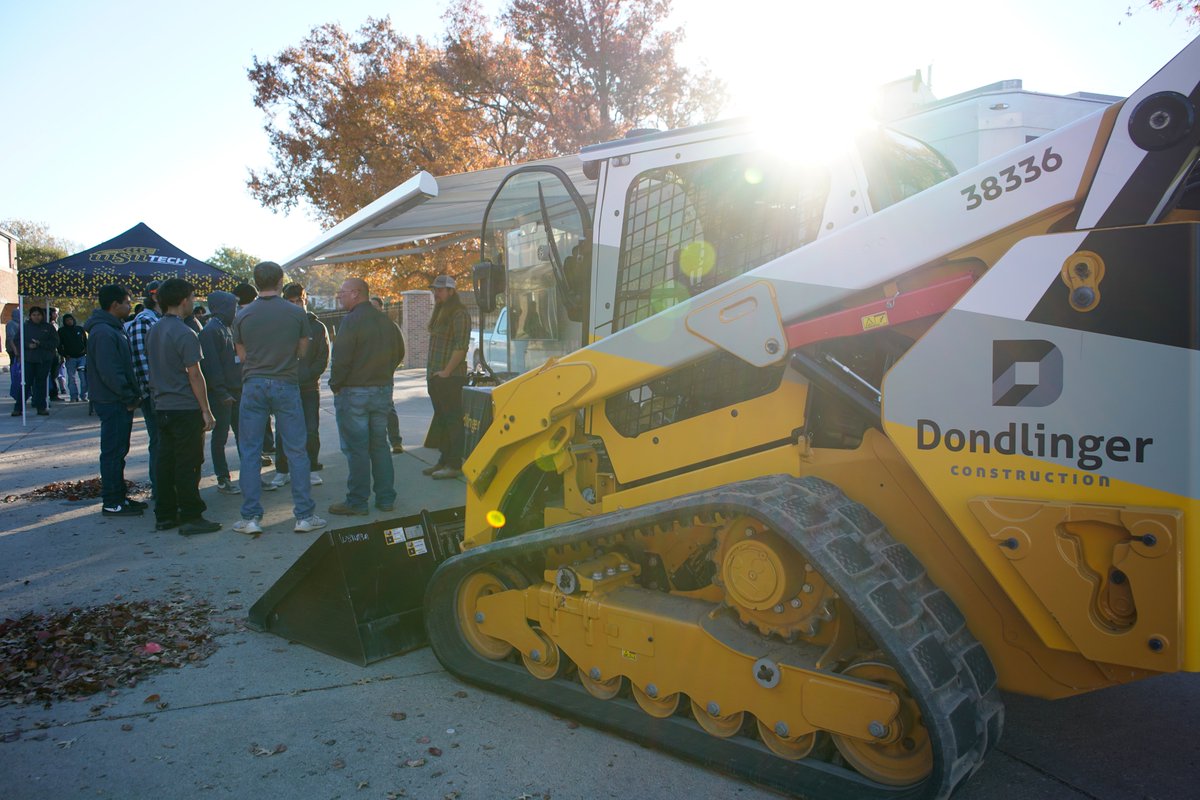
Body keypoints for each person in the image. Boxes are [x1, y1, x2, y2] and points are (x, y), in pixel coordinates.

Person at [230, 261, 326, 535]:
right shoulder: (295, 313)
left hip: (254, 383)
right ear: (281, 282)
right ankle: (304, 515)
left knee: (250, 451)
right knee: (297, 450)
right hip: (286, 381)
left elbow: (242, 353)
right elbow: (303, 350)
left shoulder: (243, 316)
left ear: (256, 282)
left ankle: (250, 518)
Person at [145, 278, 221, 535]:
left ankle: (165, 514)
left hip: (162, 405)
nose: (193, 302)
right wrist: (206, 410)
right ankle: (191, 515)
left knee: (165, 461)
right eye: (191, 297)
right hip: (185, 406)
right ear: (183, 300)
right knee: (188, 463)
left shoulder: (154, 330)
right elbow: (195, 375)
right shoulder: (185, 333)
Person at [328, 277, 404, 515]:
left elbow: (341, 358)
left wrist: (336, 384)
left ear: (356, 293)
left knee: (357, 448)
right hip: (381, 390)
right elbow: (399, 351)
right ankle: (385, 498)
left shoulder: (351, 321)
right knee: (379, 445)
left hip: (355, 391)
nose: (339, 296)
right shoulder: (385, 321)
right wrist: (384, 373)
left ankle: (358, 501)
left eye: (342, 292)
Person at [84, 285, 146, 517]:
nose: (130, 306)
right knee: (112, 453)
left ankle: (119, 497)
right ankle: (112, 501)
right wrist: (128, 396)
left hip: (116, 400)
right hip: (112, 401)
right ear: (114, 305)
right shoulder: (104, 332)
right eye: (127, 302)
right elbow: (111, 372)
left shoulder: (111, 329)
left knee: (118, 452)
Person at [270, 283, 329, 489]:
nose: (296, 304)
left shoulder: (317, 326)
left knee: (311, 430)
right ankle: (282, 470)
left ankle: (311, 468)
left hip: (309, 387)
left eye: (300, 300)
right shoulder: (277, 325)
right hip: (284, 386)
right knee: (283, 430)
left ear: (305, 300)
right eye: (292, 301)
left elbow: (323, 358)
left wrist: (308, 375)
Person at [423, 275, 470, 479]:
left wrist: (446, 372)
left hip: (450, 378)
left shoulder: (459, 313)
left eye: (441, 290)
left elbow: (461, 346)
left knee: (453, 421)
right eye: (435, 289)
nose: (437, 293)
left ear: (452, 291)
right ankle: (443, 460)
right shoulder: (440, 311)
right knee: (442, 420)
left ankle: (454, 464)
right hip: (435, 376)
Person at [198, 291, 242, 494]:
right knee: (220, 437)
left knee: (244, 435)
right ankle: (223, 478)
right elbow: (211, 366)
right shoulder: (210, 331)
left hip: (237, 390)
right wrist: (222, 392)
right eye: (233, 306)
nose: (235, 310)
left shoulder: (228, 327)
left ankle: (251, 475)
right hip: (222, 395)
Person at [126, 281, 162, 494]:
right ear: (156, 296)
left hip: (164, 395)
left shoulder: (157, 320)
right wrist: (155, 392)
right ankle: (160, 490)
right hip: (155, 396)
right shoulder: (144, 322)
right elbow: (142, 365)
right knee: (159, 442)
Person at [235, 281, 275, 466]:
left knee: (250, 427)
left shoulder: (238, 317)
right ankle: (264, 449)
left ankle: (256, 458)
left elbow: (241, 354)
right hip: (269, 375)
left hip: (247, 378)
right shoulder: (265, 314)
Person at [370, 296, 405, 454]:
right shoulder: (363, 326)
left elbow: (400, 350)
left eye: (376, 307)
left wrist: (390, 368)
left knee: (388, 408)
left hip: (385, 375)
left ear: (381, 308)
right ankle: (376, 442)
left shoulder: (391, 327)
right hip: (367, 377)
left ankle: (395, 441)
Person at [22, 306, 59, 416]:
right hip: (29, 358)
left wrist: (40, 343)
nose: (36, 317)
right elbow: (17, 341)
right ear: (30, 316)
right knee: (26, 383)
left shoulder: (48, 327)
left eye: (38, 315)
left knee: (41, 384)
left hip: (44, 359)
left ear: (42, 316)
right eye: (34, 315)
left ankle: (41, 407)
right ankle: (19, 406)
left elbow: (55, 342)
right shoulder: (25, 327)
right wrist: (28, 345)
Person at [58, 313, 89, 402]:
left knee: (83, 378)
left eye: (71, 320)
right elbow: (59, 345)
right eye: (67, 320)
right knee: (71, 378)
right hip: (70, 357)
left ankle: (83, 395)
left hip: (82, 356)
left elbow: (85, 341)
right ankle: (73, 396)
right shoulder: (62, 331)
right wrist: (64, 354)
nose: (69, 322)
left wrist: (86, 351)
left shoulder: (79, 329)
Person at [7, 313, 23, 416]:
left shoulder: (21, 324)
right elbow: (11, 338)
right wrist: (16, 351)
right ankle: (16, 390)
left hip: (20, 350)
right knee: (16, 370)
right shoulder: (11, 324)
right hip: (14, 351)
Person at [48, 307, 65, 401]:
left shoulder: (55, 325)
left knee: (54, 375)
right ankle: (51, 393)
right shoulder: (48, 326)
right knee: (49, 375)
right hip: (48, 354)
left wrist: (61, 354)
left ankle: (54, 393)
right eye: (55, 313)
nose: (57, 315)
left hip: (56, 353)